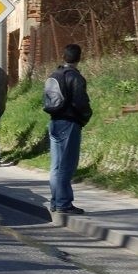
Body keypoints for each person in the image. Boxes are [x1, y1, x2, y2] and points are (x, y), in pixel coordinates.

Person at [45, 43, 93, 214]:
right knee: (67, 165)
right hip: (69, 123)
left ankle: (55, 201)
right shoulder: (75, 77)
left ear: (63, 57)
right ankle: (64, 203)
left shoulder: (54, 74)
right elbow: (81, 102)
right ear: (79, 58)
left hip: (54, 121)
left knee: (55, 165)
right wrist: (85, 117)